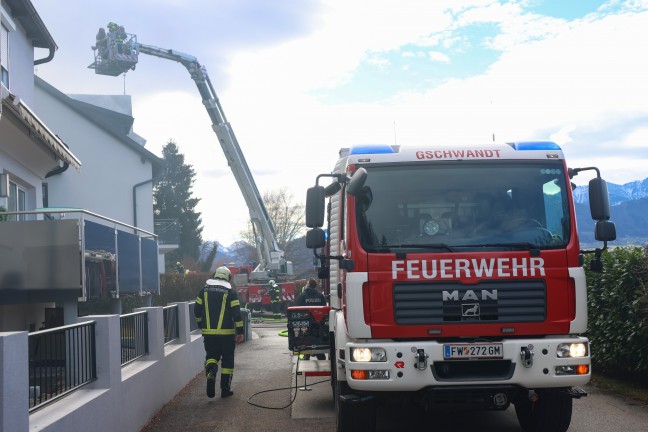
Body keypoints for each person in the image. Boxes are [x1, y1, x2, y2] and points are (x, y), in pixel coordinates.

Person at [194, 266, 244, 398]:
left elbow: (197, 311)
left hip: (209, 333)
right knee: (227, 361)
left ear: (215, 275)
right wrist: (240, 331)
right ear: (228, 277)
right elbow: (237, 314)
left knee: (211, 356)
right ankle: (225, 390)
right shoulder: (230, 292)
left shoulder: (203, 290)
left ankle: (211, 371)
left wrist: (201, 324)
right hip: (227, 334)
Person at [297, 278, 327, 360]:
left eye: (307, 283)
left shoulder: (303, 296)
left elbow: (298, 308)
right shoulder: (320, 295)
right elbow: (324, 307)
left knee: (307, 341)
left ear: (309, 285)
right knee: (318, 341)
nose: (306, 284)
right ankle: (321, 357)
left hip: (306, 323)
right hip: (319, 323)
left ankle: (306, 356)